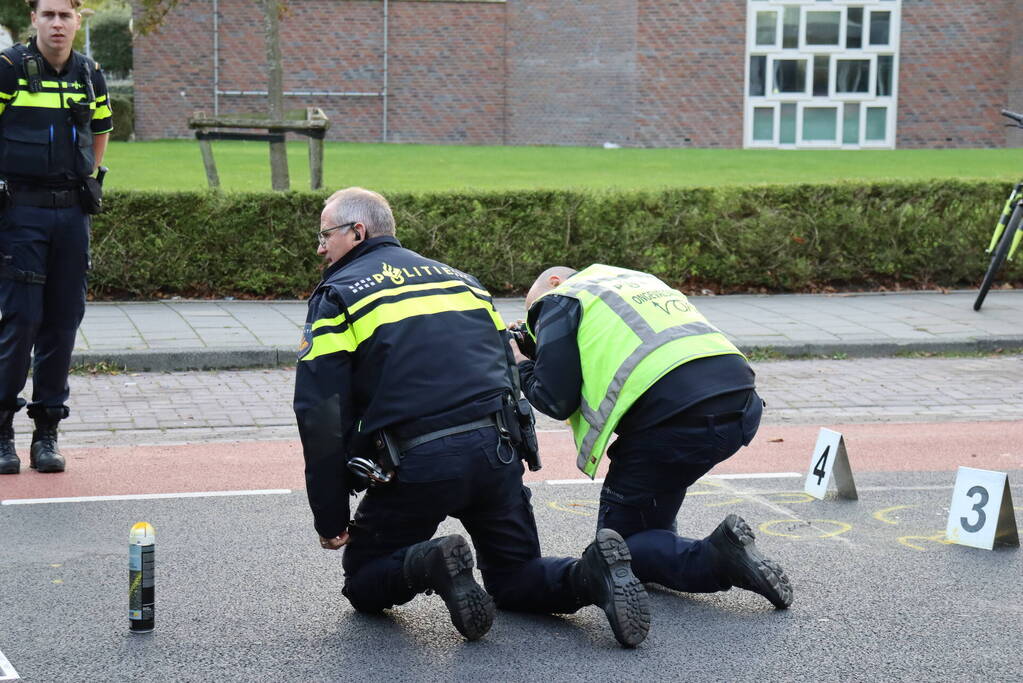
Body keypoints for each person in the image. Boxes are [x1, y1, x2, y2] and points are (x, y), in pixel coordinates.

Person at [293, 188, 651, 646]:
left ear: (357, 232)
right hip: (495, 453)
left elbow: (321, 413)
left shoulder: (339, 293)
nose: (321, 248)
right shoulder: (464, 281)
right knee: (517, 575)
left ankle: (433, 563)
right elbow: (508, 370)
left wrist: (330, 515)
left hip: (417, 463)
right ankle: (592, 573)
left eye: (326, 235)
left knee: (363, 581)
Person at [512, 264, 793, 609]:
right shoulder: (634, 282)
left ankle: (719, 557)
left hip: (674, 423)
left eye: (530, 312)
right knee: (653, 509)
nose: (533, 322)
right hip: (740, 406)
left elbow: (555, 398)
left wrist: (519, 364)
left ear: (553, 282)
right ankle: (670, 552)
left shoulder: (561, 298)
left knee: (620, 550)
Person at [0, 0, 113, 475]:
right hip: (19, 212)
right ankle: (2, 433)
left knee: (62, 325)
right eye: (48, 14)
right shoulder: (7, 69)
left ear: (78, 20)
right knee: (21, 322)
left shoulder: (89, 73)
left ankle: (46, 433)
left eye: (65, 15)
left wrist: (87, 175)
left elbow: (101, 129)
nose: (57, 24)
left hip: (71, 215)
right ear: (34, 20)